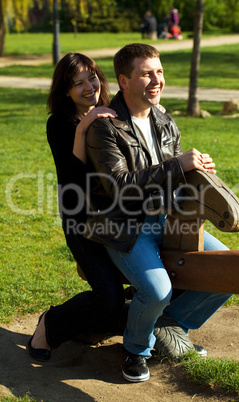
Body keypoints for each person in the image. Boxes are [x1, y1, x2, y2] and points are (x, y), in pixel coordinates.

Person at [84, 43, 231, 383]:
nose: (156, 80)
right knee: (156, 290)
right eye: (146, 73)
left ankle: (169, 323)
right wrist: (176, 165)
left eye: (159, 71)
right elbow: (118, 186)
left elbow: (177, 178)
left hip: (168, 219)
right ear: (124, 80)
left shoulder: (165, 120)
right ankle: (136, 348)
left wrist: (197, 170)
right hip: (123, 225)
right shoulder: (105, 126)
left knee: (224, 269)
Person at [28, 52, 126, 360]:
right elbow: (72, 180)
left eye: (92, 77)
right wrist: (84, 127)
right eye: (77, 83)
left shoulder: (114, 113)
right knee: (109, 297)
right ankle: (50, 324)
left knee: (140, 288)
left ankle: (89, 328)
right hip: (81, 220)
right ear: (65, 91)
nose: (89, 87)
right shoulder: (59, 124)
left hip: (120, 218)